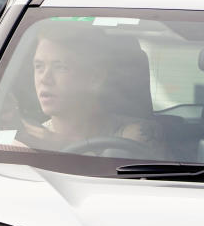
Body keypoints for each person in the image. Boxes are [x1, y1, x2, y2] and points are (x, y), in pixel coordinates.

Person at [10, 24, 162, 154]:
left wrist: (53, 143)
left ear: (95, 78)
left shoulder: (135, 134)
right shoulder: (25, 144)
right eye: (39, 66)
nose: (44, 78)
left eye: (60, 67)